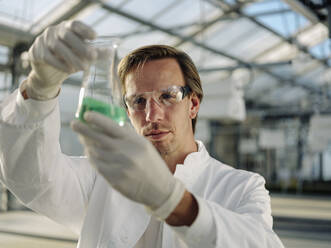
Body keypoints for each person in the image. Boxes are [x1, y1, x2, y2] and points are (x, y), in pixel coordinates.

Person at [0, 20, 284, 248]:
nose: (152, 115)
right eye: (138, 101)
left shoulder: (241, 187)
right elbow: (30, 179)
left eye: (168, 96)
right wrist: (38, 91)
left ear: (193, 104)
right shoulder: (101, 177)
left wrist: (173, 201)